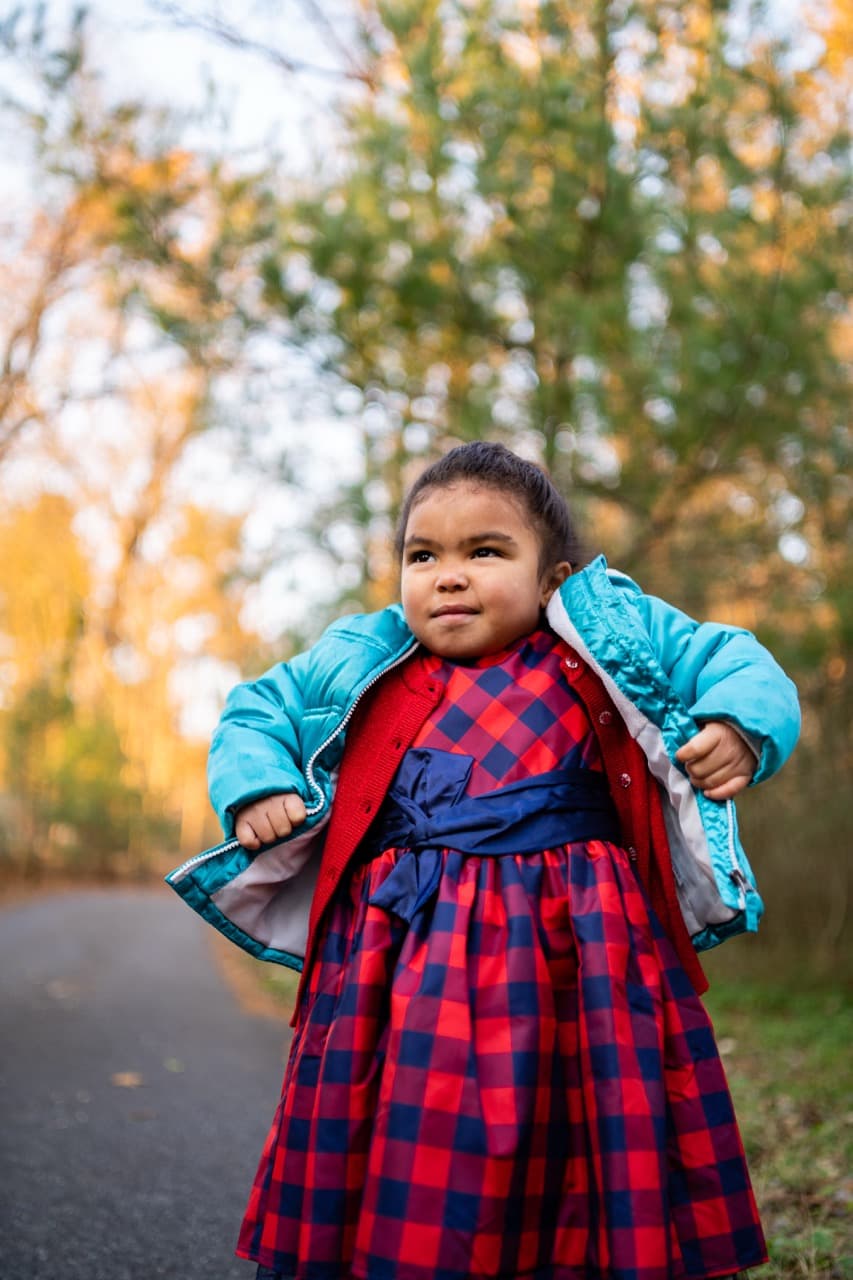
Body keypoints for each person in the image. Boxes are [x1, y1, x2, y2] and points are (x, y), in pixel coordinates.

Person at [168, 441, 800, 1280]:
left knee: (581, 1123)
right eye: (422, 555)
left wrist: (739, 724)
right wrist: (255, 784)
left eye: (484, 551)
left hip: (582, 957)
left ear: (551, 578)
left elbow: (733, 658)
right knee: (414, 1125)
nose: (448, 575)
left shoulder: (602, 631)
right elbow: (258, 709)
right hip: (401, 961)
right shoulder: (368, 653)